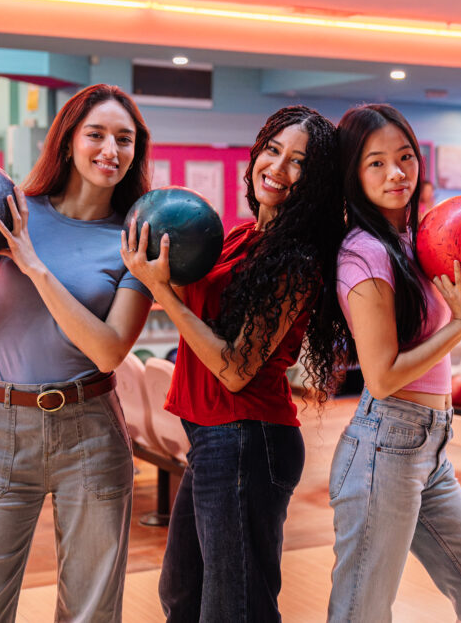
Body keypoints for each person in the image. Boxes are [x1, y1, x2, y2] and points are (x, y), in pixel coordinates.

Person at [0, 84, 154, 622]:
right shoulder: (10, 210)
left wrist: (33, 264)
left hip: (91, 428)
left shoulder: (134, 239)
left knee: (90, 612)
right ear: (68, 141)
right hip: (1, 429)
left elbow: (109, 349)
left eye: (124, 139)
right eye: (96, 134)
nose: (110, 150)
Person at [121, 106, 345, 622]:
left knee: (235, 607)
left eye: (299, 164)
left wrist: (163, 294)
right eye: (273, 150)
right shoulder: (243, 237)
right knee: (183, 595)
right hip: (210, 437)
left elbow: (235, 369)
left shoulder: (297, 260)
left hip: (248, 438)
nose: (279, 168)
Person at [325, 104, 461, 623]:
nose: (397, 173)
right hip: (384, 447)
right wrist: (460, 327)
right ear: (353, 173)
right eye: (376, 163)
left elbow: (445, 303)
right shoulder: (362, 254)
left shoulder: (416, 241)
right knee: (361, 615)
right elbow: (383, 375)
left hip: (429, 449)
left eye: (405, 157)